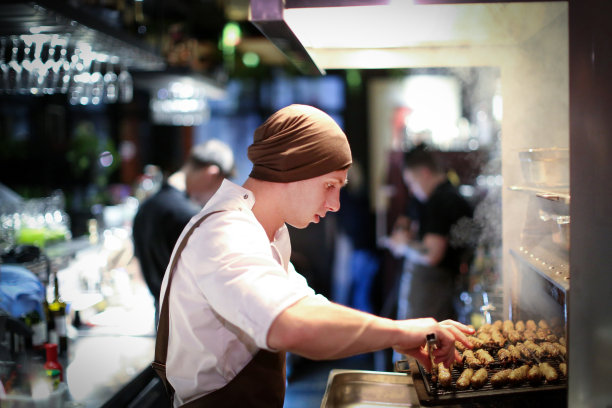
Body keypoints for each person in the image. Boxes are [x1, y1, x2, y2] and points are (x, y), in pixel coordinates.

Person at [154, 105, 473, 407]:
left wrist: (393, 336)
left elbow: (308, 306)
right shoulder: (226, 232)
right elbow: (292, 324)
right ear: (293, 169)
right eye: (330, 185)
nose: (335, 203)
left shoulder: (270, 232)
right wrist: (404, 331)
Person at [132, 139, 235, 325]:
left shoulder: (146, 208)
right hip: (189, 326)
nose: (215, 196)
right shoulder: (189, 216)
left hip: (161, 319)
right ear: (211, 174)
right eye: (219, 187)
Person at [383, 143, 474, 322]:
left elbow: (432, 255)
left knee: (421, 342)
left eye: (411, 182)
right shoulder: (426, 198)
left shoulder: (442, 201)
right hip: (430, 286)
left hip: (435, 287)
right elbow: (403, 223)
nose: (411, 189)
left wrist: (404, 245)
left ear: (424, 173)